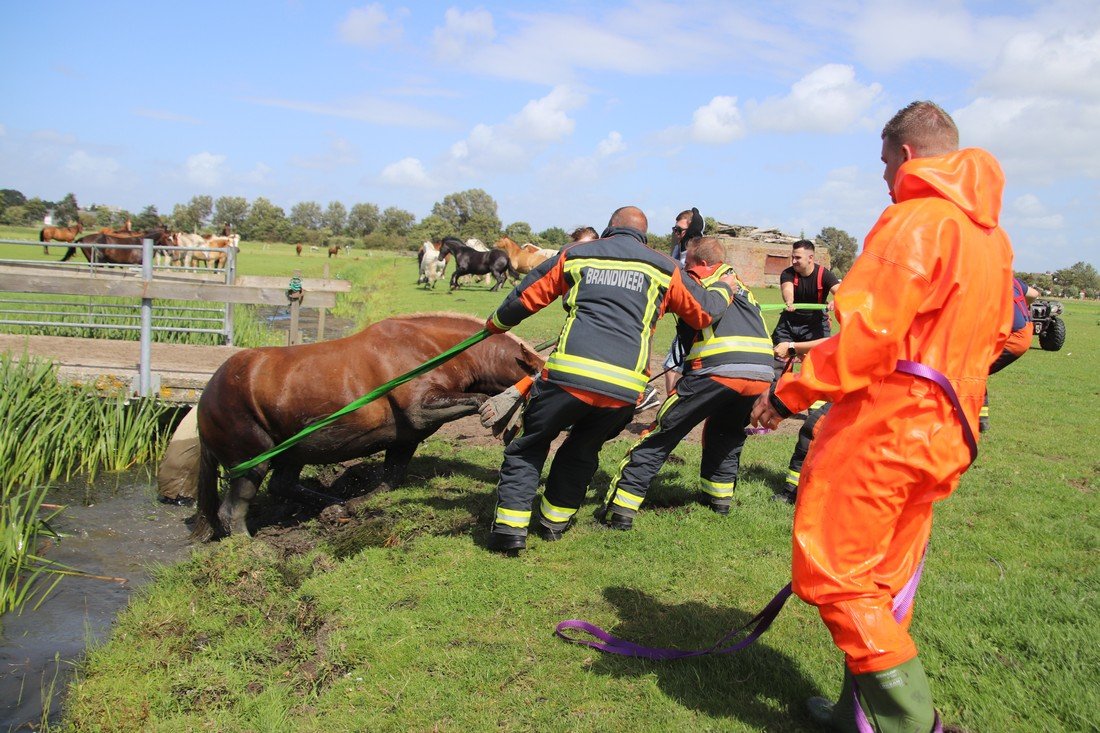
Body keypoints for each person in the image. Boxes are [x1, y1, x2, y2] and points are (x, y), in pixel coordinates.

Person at [750, 101, 1015, 730]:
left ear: (905, 154)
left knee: (838, 576)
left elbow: (868, 340)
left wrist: (789, 392)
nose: (883, 176)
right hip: (949, 433)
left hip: (885, 431)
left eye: (882, 162)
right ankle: (860, 717)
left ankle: (911, 726)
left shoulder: (915, 221)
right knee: (886, 581)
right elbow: (1010, 337)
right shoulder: (992, 239)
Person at [482, 206, 738, 553]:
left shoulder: (576, 254)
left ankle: (509, 533)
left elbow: (526, 296)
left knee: (531, 444)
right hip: (624, 389)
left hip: (568, 377)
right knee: (583, 448)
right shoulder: (665, 267)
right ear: (644, 237)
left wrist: (495, 325)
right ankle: (554, 523)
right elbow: (704, 311)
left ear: (608, 229)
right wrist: (724, 287)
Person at [596, 237, 773, 526]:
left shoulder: (697, 279)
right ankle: (719, 502)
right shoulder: (739, 283)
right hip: (760, 373)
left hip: (717, 369)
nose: (683, 267)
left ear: (702, 264)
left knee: (662, 433)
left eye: (687, 262)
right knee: (726, 433)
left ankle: (620, 510)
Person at [652, 208, 706, 409]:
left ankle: (674, 408)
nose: (676, 233)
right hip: (685, 314)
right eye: (674, 229)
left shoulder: (698, 251)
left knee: (672, 365)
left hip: (696, 315)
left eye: (680, 229)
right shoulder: (679, 249)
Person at [770, 240, 840, 377]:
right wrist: (789, 300)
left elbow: (842, 292)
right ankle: (775, 391)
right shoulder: (788, 273)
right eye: (792, 257)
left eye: (798, 258)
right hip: (789, 323)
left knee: (820, 363)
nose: (794, 261)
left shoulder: (824, 275)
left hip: (816, 324)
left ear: (810, 258)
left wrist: (836, 300)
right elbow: (787, 289)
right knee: (777, 361)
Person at [980, 277, 1038, 431]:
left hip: (1013, 338)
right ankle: (980, 418)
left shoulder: (990, 278)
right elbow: (1034, 294)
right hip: (1025, 330)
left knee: (971, 371)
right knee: (977, 370)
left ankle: (978, 419)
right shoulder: (1013, 281)